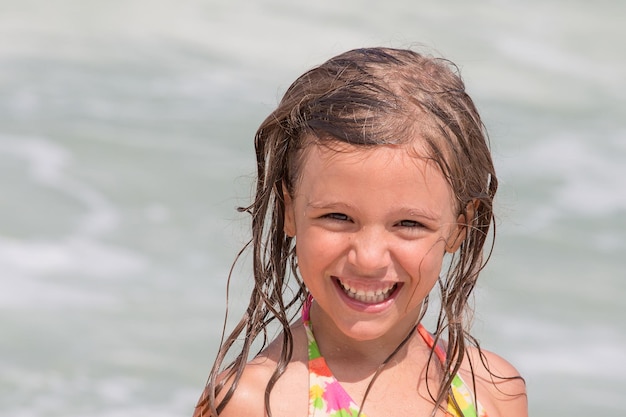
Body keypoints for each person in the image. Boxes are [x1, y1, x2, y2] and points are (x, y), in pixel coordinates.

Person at [194, 47, 528, 417]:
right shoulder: (255, 404)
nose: (368, 258)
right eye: (337, 217)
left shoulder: (493, 390)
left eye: (409, 224)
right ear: (289, 209)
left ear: (460, 227)